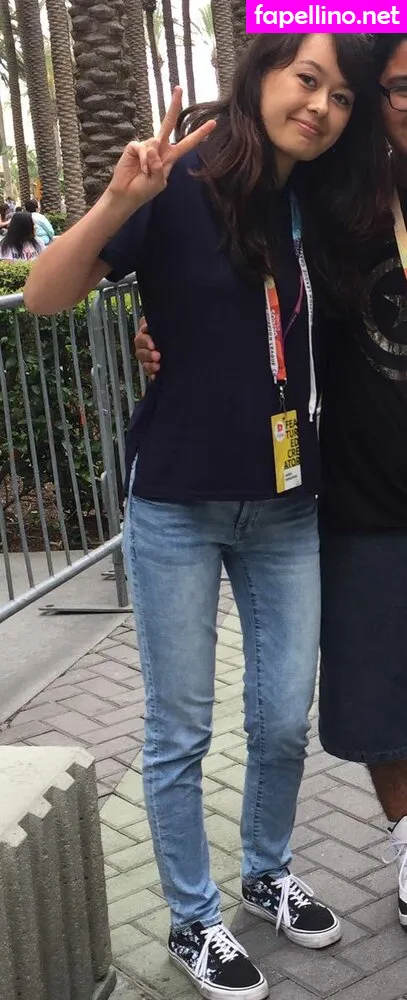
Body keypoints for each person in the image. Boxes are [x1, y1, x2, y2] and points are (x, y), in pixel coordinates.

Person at [23, 34, 390, 1000]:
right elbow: (43, 298)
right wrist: (117, 201)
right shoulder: (175, 185)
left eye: (340, 97)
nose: (320, 107)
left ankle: (266, 872)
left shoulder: (323, 204)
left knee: (281, 720)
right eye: (305, 80)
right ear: (259, 76)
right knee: (179, 729)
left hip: (288, 507)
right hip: (177, 504)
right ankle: (192, 919)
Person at [317, 32, 407, 934]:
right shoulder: (338, 193)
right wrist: (162, 334)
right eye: (403, 86)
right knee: (380, 695)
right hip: (367, 495)